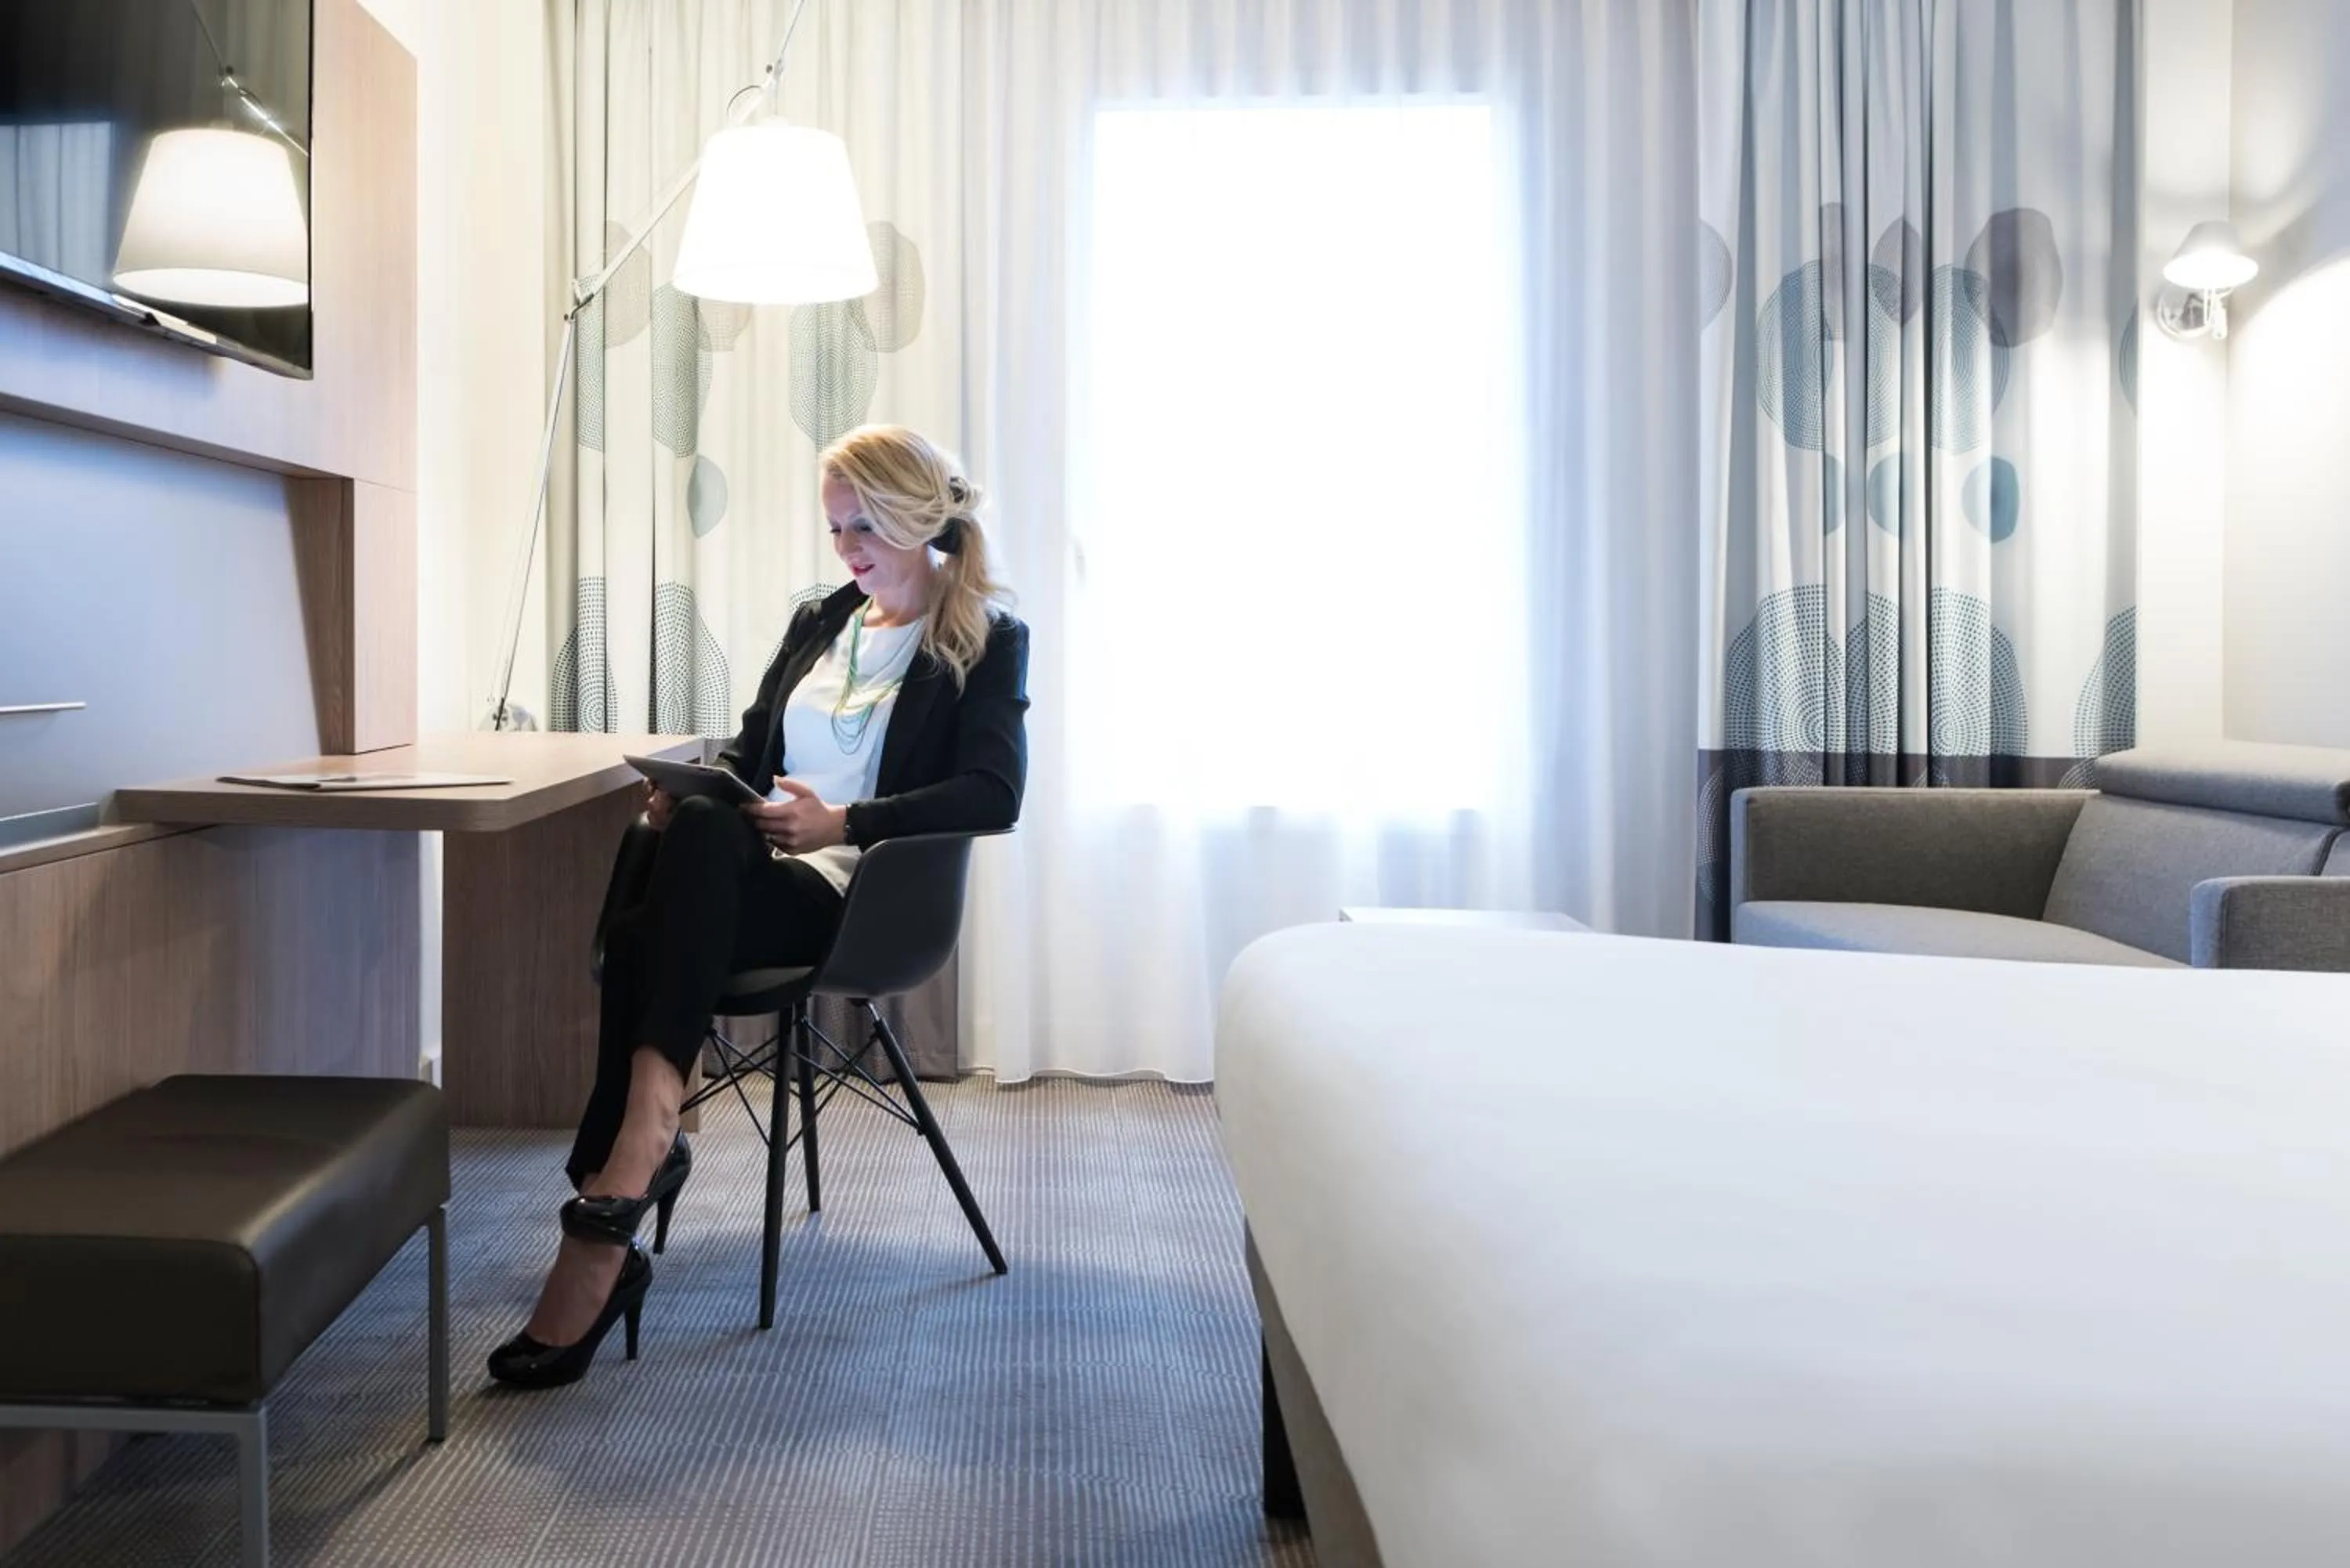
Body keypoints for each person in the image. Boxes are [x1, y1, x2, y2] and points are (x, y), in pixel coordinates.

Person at [488, 425, 1029, 1389]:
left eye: (862, 525)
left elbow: (995, 792)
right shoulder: (825, 619)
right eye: (833, 528)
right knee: (680, 836)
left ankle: (626, 1161)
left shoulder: (984, 638)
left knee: (648, 913)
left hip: (858, 899)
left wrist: (844, 821)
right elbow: (748, 754)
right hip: (752, 876)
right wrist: (695, 790)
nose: (847, 549)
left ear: (915, 516)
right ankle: (640, 1147)